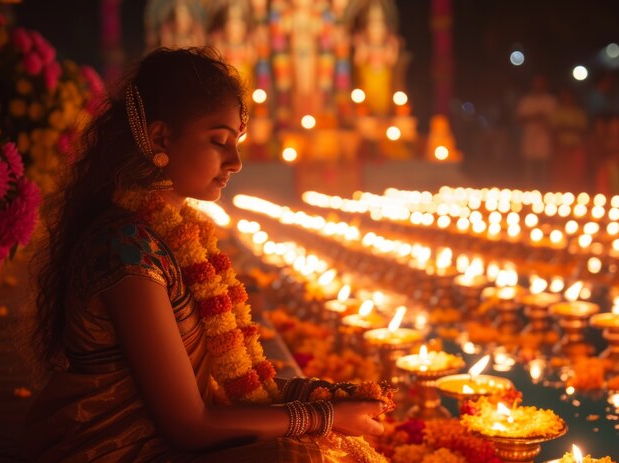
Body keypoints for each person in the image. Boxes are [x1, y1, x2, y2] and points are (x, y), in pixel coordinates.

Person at [25, 48, 384, 462]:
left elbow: (221, 381)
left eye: (236, 143)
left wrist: (322, 395)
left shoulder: (174, 233)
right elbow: (190, 427)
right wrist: (322, 416)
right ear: (160, 138)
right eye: (219, 141)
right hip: (117, 450)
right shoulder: (126, 250)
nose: (235, 162)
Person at [516, 74, 557, 189]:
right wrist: (535, 116)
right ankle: (528, 192)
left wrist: (542, 118)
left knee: (543, 171)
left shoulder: (550, 101)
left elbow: (553, 121)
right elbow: (520, 118)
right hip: (529, 139)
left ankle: (543, 192)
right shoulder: (526, 100)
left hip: (544, 140)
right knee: (528, 170)